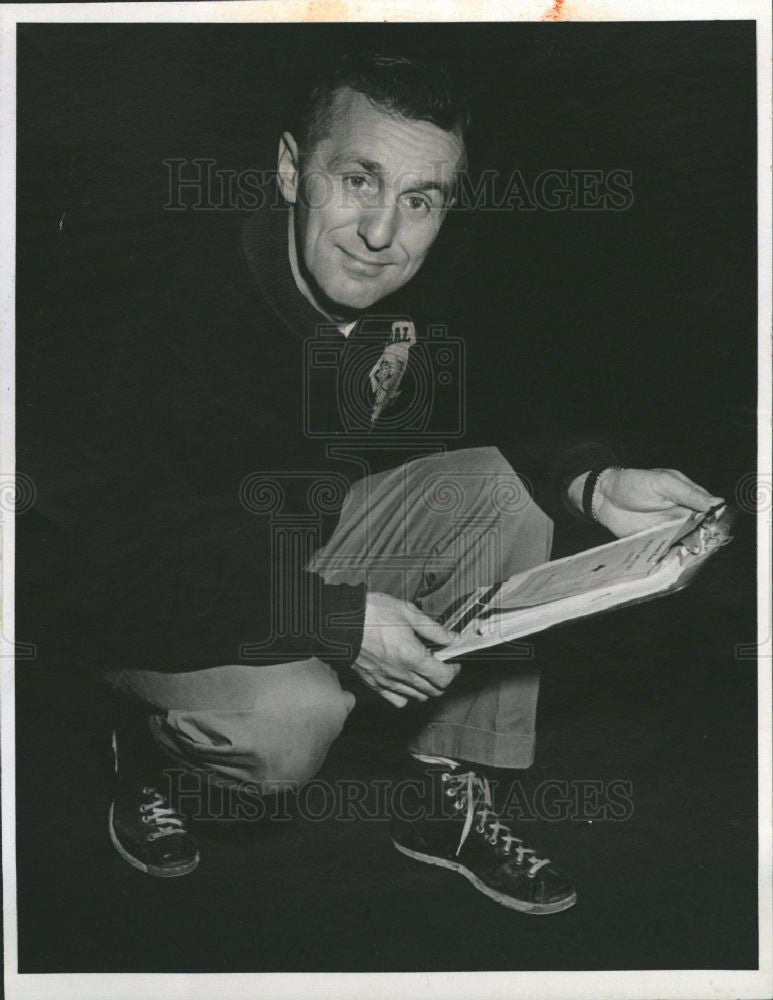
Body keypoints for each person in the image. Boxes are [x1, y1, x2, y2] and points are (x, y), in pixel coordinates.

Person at [18, 52, 723, 914]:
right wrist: (338, 620)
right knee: (285, 729)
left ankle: (439, 793)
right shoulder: (154, 301)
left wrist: (592, 480)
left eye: (419, 199)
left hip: (293, 544)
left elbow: (500, 374)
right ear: (290, 169)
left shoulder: (408, 273)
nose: (382, 232)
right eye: (357, 179)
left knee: (500, 491)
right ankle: (148, 743)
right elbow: (107, 549)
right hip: (140, 589)